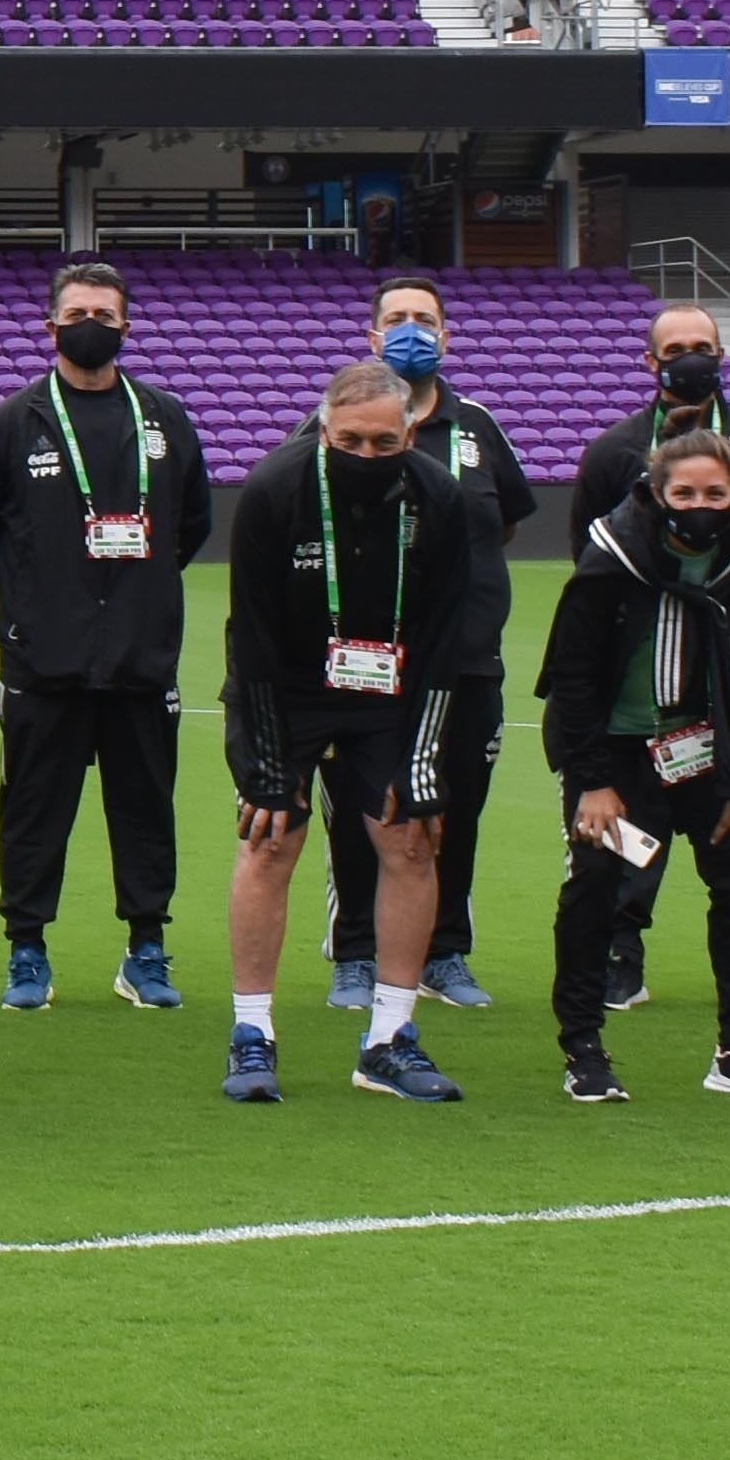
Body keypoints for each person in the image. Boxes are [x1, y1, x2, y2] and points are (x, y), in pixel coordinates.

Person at [214, 362, 481, 1106]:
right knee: (271, 838)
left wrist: (423, 757)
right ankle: (252, 1031)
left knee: (410, 839)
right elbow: (253, 634)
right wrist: (267, 759)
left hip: (390, 691)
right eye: (351, 441)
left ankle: (389, 1038)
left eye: (384, 443)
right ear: (324, 428)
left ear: (411, 433)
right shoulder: (275, 489)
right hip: (288, 689)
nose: (367, 455)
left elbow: (442, 639)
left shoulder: (439, 499)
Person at [0, 259, 207, 1018]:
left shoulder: (164, 419)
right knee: (32, 811)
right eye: (78, 311)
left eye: (105, 312)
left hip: (140, 657)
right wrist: (34, 584)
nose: (92, 323)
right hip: (43, 661)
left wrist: (143, 587)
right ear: (51, 325)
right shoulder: (11, 422)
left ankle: (146, 948)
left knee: (146, 810)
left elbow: (188, 527)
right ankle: (27, 949)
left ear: (126, 325)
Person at [539, 427, 730, 1105]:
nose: (700, 504)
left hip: (708, 758)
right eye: (684, 492)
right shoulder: (612, 553)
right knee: (598, 879)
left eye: (716, 492)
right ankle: (583, 1048)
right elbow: (574, 674)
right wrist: (591, 782)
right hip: (619, 763)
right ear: (657, 493)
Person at [569, 305, 730, 1018]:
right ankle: (621, 956)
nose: (690, 360)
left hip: (721, 684)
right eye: (675, 349)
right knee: (627, 832)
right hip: (633, 690)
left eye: (702, 348)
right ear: (651, 361)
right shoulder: (614, 451)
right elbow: (585, 559)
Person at [330, 272, 533, 1014]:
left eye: (425, 318)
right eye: (398, 318)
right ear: (374, 337)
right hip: (368, 663)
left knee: (458, 809)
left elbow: (503, 523)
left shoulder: (478, 427)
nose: (412, 329)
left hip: (466, 660)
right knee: (361, 811)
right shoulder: (335, 426)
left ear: (445, 336)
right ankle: (354, 952)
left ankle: (445, 950)